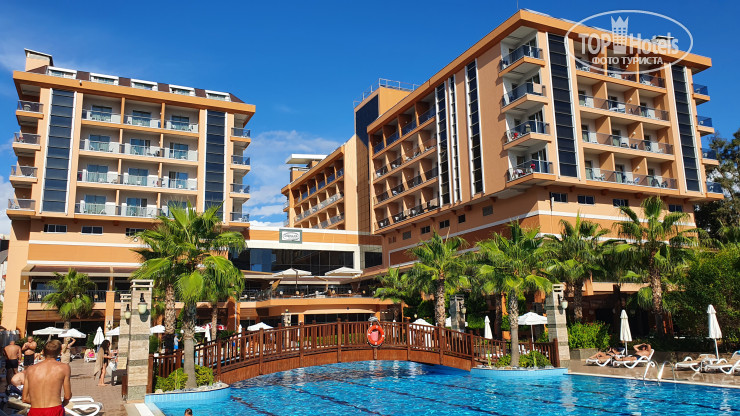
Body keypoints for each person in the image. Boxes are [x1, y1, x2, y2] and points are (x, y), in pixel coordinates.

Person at [22, 339, 71, 416]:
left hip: (35, 410)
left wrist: (37, 402)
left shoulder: (30, 369)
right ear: (60, 352)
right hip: (55, 408)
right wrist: (63, 403)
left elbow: (24, 398)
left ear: (43, 352)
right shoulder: (64, 367)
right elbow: (67, 396)